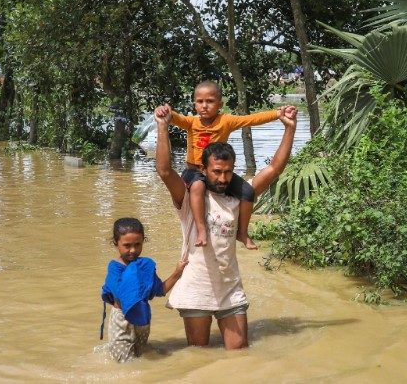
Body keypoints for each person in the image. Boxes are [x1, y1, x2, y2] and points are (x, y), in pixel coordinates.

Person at [154, 102, 297, 349]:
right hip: (196, 286)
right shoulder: (188, 197)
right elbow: (165, 171)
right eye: (217, 172)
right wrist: (162, 128)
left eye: (228, 172)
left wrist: (289, 130)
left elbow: (273, 169)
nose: (222, 178)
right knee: (199, 355)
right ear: (203, 169)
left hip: (230, 288)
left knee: (240, 352)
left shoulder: (237, 197)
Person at [155, 80, 290, 250]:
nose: (204, 106)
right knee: (197, 187)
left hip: (218, 172)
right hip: (194, 171)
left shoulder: (225, 121)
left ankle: (242, 232)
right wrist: (165, 112)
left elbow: (251, 119)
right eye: (200, 101)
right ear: (194, 103)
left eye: (210, 101)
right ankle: (201, 229)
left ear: (220, 104)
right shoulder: (191, 122)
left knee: (247, 192)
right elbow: (175, 118)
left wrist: (278, 113)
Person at [100, 217, 188, 362]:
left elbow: (161, 290)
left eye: (138, 244)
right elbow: (119, 292)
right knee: (124, 363)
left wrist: (178, 272)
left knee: (140, 356)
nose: (133, 250)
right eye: (127, 245)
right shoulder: (115, 268)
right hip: (122, 319)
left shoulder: (144, 267)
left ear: (143, 242)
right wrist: (135, 272)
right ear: (116, 244)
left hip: (142, 318)